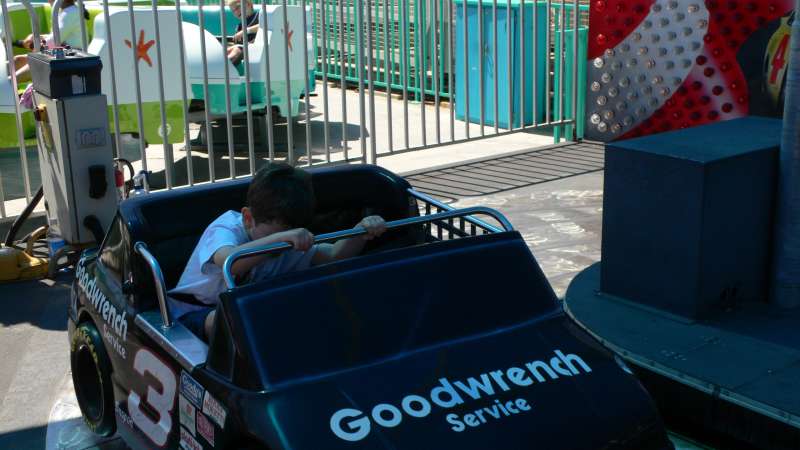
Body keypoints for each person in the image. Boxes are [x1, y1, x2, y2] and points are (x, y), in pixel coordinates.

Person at [169, 163, 387, 341]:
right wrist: (282, 239)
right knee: (229, 321)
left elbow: (333, 256)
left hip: (250, 313)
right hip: (192, 315)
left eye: (288, 234)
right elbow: (229, 261)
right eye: (275, 234)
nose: (283, 246)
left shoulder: (290, 242)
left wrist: (361, 232)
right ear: (248, 218)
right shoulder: (226, 228)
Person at [13, 0, 87, 83]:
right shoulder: (68, 11)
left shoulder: (70, 13)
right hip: (61, 55)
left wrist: (32, 44)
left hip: (72, 60)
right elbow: (56, 36)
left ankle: (8, 84)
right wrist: (37, 37)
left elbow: (51, 42)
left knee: (32, 65)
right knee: (17, 60)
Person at [226, 0, 260, 66]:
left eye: (238, 7)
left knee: (237, 50)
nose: (236, 12)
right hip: (243, 50)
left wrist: (246, 30)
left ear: (248, 4)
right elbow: (238, 44)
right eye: (233, 11)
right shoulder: (239, 26)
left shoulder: (259, 16)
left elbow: (265, 25)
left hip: (255, 50)